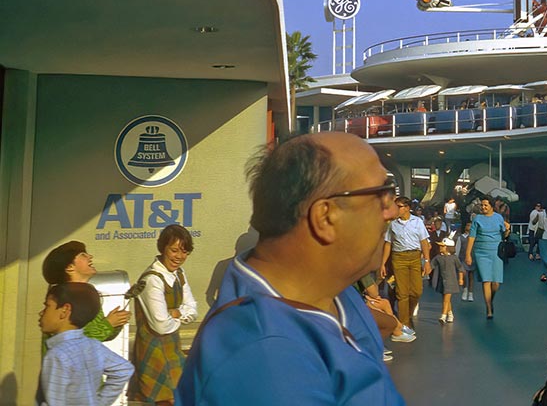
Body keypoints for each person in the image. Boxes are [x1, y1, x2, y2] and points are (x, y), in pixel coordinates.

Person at [176, 132, 406, 405]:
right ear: (325, 217)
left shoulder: (332, 291)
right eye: (382, 194)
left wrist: (390, 322)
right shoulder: (262, 356)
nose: (391, 211)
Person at [131, 224, 197, 405]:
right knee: (164, 401)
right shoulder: (152, 279)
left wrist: (175, 313)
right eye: (174, 250)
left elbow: (193, 309)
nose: (179, 257)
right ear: (163, 248)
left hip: (172, 347)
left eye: (184, 252)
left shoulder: (179, 274)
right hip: (153, 352)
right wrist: (177, 316)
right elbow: (160, 325)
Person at [38, 282, 133, 406]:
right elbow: (123, 369)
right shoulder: (92, 345)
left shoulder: (57, 355)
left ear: (65, 310)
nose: (41, 313)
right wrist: (99, 402)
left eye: (47, 306)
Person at [41, 242, 131, 344]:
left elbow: (102, 336)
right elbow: (67, 342)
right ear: (70, 267)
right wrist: (108, 324)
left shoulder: (88, 292)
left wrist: (117, 322)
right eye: (83, 255)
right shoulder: (59, 296)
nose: (90, 257)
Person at [386, 196, 431, 342]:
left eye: (398, 206)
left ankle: (408, 315)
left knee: (417, 291)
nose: (396, 209)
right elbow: (388, 243)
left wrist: (427, 261)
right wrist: (382, 263)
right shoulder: (392, 224)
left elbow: (424, 241)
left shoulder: (417, 222)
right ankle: (404, 323)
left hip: (414, 256)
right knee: (402, 293)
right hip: (398, 257)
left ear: (407, 208)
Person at [465, 195, 509, 319]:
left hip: (496, 251)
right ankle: (489, 308)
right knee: (486, 280)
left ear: (491, 206)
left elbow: (504, 235)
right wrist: (468, 254)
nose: (483, 207)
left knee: (496, 283)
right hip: (481, 252)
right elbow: (472, 237)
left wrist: (507, 230)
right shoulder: (477, 219)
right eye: (482, 205)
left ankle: (491, 299)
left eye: (485, 205)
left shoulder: (498, 218)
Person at [431, 236, 465, 324]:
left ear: (447, 247)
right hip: (442, 281)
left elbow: (460, 268)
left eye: (442, 246)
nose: (440, 248)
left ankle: (443, 315)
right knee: (446, 299)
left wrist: (461, 279)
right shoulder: (438, 257)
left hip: (451, 282)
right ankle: (450, 314)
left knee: (446, 299)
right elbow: (431, 266)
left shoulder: (454, 258)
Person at [455, 214, 476, 302]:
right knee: (464, 274)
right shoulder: (461, 237)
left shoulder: (474, 237)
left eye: (471, 226)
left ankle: (470, 293)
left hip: (472, 258)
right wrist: (456, 258)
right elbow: (457, 248)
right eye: (468, 225)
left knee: (471, 276)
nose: (469, 227)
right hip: (462, 258)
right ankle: (465, 289)